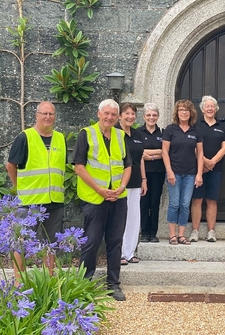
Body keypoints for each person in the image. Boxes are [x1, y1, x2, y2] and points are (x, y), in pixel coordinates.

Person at [72, 99, 132, 301]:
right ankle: (84, 284)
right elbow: (78, 167)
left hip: (118, 198)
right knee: (91, 242)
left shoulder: (121, 135)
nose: (109, 118)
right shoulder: (86, 134)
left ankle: (113, 284)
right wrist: (100, 189)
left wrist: (121, 187)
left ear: (117, 117)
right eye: (106, 114)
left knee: (115, 242)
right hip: (94, 198)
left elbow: (127, 165)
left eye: (113, 115)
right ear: (99, 113)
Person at [6, 101, 66, 280]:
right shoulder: (25, 137)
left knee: (51, 243)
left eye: (51, 114)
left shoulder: (60, 138)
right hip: (29, 202)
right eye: (44, 114)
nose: (48, 117)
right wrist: (20, 188)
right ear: (37, 115)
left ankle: (48, 280)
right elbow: (11, 165)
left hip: (54, 201)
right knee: (22, 242)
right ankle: (19, 282)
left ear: (55, 117)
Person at [162, 99, 203, 245]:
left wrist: (199, 174)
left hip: (190, 173)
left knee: (185, 204)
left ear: (191, 112)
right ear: (177, 113)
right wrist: (169, 171)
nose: (184, 112)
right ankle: (172, 235)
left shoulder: (196, 130)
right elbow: (165, 152)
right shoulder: (170, 130)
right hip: (174, 172)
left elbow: (200, 154)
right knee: (174, 203)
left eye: (186, 110)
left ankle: (181, 235)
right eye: (181, 110)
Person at [190, 96, 225, 242]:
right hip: (198, 168)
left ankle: (211, 232)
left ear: (216, 109)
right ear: (202, 109)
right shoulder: (195, 125)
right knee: (197, 199)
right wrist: (204, 161)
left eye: (213, 106)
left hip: (216, 168)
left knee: (212, 200)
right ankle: (195, 231)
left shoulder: (222, 126)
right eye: (207, 106)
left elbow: (224, 147)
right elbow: (192, 145)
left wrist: (212, 162)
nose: (210, 108)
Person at [116, 103, 147, 265]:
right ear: (120, 115)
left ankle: (130, 252)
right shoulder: (115, 133)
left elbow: (140, 157)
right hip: (119, 182)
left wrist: (144, 179)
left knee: (134, 218)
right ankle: (119, 253)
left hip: (135, 180)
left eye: (133, 114)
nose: (130, 116)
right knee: (120, 218)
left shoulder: (137, 134)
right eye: (127, 113)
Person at [139, 103, 165, 243]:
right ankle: (144, 232)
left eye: (154, 115)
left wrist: (149, 154)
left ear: (158, 117)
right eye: (148, 115)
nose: (151, 117)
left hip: (158, 172)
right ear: (144, 116)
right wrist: (157, 152)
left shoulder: (162, 133)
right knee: (144, 203)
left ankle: (153, 233)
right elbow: (138, 152)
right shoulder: (138, 132)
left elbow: (165, 151)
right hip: (143, 173)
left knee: (155, 202)